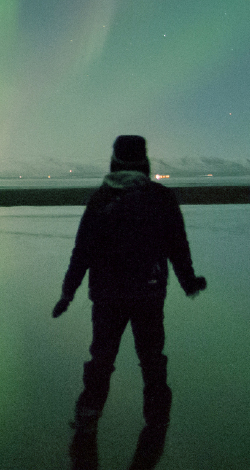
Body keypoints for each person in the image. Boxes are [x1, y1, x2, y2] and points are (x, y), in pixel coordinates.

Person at [52, 135, 206, 431]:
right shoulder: (161, 197)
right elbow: (178, 246)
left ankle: (87, 418)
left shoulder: (101, 199)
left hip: (107, 296)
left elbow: (82, 251)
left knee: (101, 359)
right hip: (149, 292)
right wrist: (189, 282)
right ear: (145, 161)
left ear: (114, 160)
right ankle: (157, 422)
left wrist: (67, 293)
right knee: (152, 361)